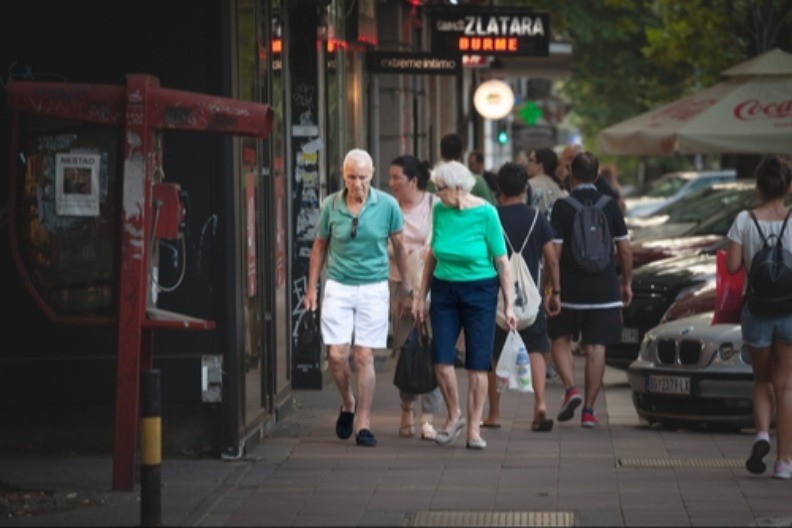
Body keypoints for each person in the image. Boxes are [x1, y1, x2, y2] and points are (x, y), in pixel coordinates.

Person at [304, 148, 413, 448]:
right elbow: (319, 246)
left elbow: (400, 247)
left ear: (372, 174)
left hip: (374, 287)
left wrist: (407, 286)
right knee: (337, 355)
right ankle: (348, 402)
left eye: (363, 177)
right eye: (352, 177)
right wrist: (312, 287)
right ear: (343, 175)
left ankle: (364, 422)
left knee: (363, 355)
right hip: (339, 285)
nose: (358, 184)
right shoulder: (331, 205)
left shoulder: (388, 205)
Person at [413, 160, 516, 450]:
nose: (437, 193)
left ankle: (473, 430)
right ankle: (455, 413)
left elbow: (502, 262)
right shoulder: (440, 210)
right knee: (441, 361)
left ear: (459, 188)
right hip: (444, 290)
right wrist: (421, 295)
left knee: (477, 365)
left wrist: (508, 305)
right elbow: (432, 253)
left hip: (481, 290)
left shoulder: (486, 213)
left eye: (440, 189)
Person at [549, 151, 632, 428]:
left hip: (571, 289)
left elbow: (555, 253)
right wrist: (626, 283)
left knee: (559, 337)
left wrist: (553, 289)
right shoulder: (610, 206)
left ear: (571, 175)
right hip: (604, 289)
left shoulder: (563, 206)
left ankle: (571, 388)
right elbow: (625, 249)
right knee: (596, 347)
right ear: (597, 176)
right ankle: (589, 411)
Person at [725, 155, 792, 480]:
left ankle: (762, 434)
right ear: (789, 186)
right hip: (790, 311)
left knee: (762, 380)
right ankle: (783, 463)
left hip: (758, 311)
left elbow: (734, 267)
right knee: (787, 386)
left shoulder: (744, 219)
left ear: (758, 187)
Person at [484, 161, 561, 431]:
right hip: (529, 299)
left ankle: (494, 413)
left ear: (499, 189)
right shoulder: (536, 218)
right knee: (537, 349)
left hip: (496, 298)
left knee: (494, 355)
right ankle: (539, 404)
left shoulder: (490, 216)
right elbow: (551, 259)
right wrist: (554, 292)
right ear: (525, 188)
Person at [387, 154, 443, 441]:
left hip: (433, 285)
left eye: (397, 177)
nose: (391, 182)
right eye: (391, 177)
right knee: (407, 348)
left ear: (414, 180)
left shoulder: (435, 205)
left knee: (433, 349)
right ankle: (407, 408)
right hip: (398, 286)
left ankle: (429, 417)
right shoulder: (389, 208)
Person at [430, 133, 495, 204]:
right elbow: (491, 206)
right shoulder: (477, 181)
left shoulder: (432, 181)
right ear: (461, 153)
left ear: (441, 152)